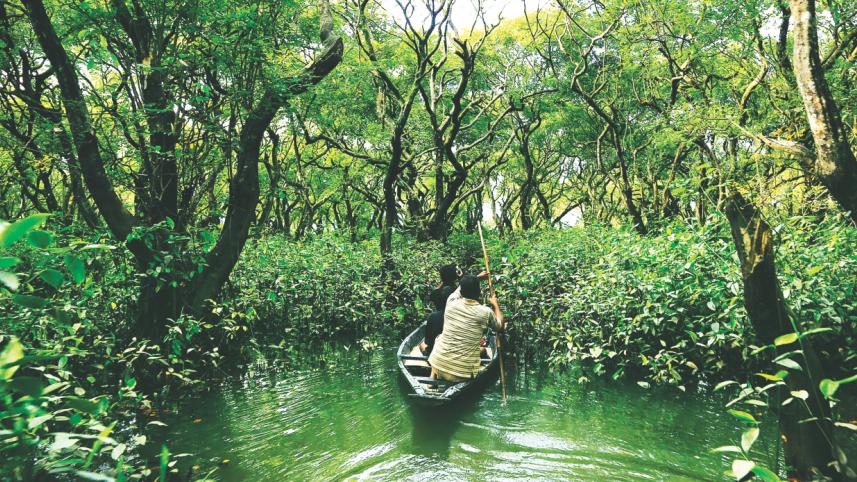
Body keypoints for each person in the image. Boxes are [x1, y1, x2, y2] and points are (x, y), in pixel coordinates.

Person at [428, 274, 505, 382]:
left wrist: (477, 277)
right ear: (479, 292)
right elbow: (500, 326)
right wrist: (495, 304)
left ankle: (433, 375)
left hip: (437, 365)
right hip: (463, 374)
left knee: (439, 338)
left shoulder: (451, 301)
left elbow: (461, 288)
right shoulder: (485, 312)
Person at [419, 264, 460, 355]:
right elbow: (465, 287)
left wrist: (445, 279)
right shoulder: (458, 293)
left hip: (436, 352)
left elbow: (434, 293)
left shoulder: (433, 316)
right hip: (455, 350)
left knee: (422, 344)